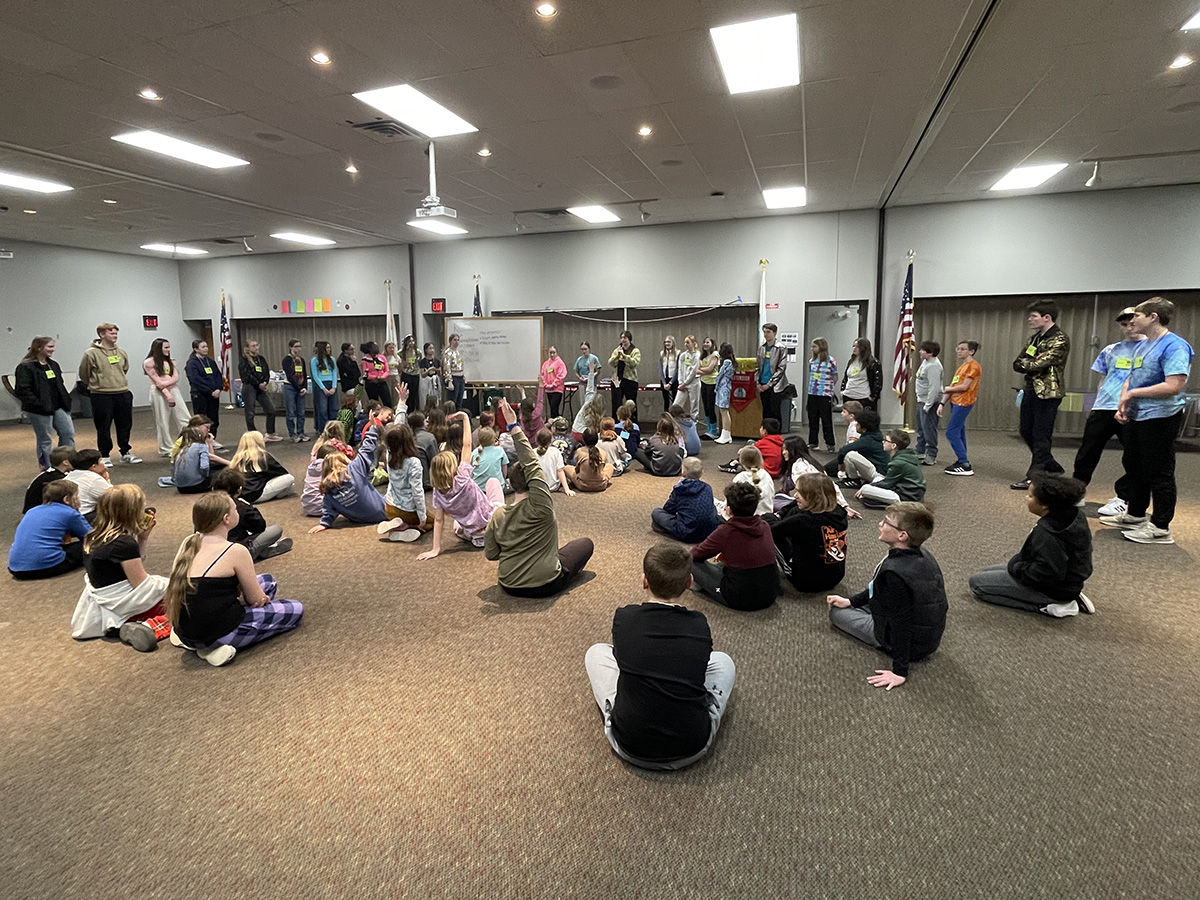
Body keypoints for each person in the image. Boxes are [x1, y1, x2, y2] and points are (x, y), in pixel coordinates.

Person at [584, 542, 736, 771]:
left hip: (628, 745)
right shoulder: (699, 624)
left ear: (644, 581)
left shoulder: (624, 618)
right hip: (692, 747)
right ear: (689, 583)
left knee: (597, 652)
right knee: (723, 661)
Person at [166, 492, 303, 667]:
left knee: (268, 580)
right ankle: (211, 648)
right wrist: (254, 600)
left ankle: (192, 642)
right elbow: (256, 599)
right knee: (296, 609)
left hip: (185, 628)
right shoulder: (235, 550)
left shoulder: (188, 542)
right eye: (235, 509)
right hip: (217, 631)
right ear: (226, 519)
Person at [1102, 297, 1194, 545]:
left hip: (1161, 416)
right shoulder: (1143, 346)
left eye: (1137, 316)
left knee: (1159, 471)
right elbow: (1132, 379)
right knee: (1134, 466)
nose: (1132, 321)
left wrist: (1133, 394)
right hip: (1137, 415)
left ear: (1153, 317)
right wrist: (1124, 402)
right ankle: (1135, 515)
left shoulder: (1175, 346)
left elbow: (1174, 385)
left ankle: (1161, 527)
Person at [826, 502, 947, 690]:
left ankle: (882, 639)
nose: (880, 524)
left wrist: (900, 671)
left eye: (886, 522)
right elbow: (879, 589)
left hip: (912, 644)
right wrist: (850, 601)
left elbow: (902, 623)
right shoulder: (921, 554)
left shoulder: (895, 574)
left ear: (902, 535)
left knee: (836, 613)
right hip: (925, 634)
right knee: (848, 604)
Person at [485, 398, 594, 597]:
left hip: (508, 583)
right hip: (546, 583)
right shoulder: (541, 507)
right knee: (585, 544)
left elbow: (491, 554)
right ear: (535, 482)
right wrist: (514, 427)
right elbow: (532, 465)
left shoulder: (498, 515)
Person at [970, 475, 1095, 617]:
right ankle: (1071, 594)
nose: (1026, 498)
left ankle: (1051, 606)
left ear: (1044, 504)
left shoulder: (1048, 534)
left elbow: (1045, 574)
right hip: (1067, 578)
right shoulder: (1074, 515)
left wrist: (1017, 567)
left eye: (1030, 496)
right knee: (987, 571)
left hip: (1053, 586)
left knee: (977, 584)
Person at [70, 484, 171, 652]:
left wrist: (143, 539)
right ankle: (148, 625)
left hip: (106, 597)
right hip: (124, 602)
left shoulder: (92, 536)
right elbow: (142, 586)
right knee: (186, 602)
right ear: (131, 512)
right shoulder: (123, 543)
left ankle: (126, 624)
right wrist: (172, 585)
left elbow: (126, 571)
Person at [1071, 310, 1142, 514]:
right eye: (1124, 325)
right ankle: (1077, 491)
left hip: (1133, 409)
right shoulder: (1111, 350)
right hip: (1104, 407)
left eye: (1132, 323)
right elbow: (1103, 378)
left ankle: (1124, 497)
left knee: (1133, 456)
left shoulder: (1149, 349)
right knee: (1087, 452)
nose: (1129, 328)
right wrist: (1098, 401)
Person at [417, 412, 505, 557]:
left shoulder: (438, 492)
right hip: (490, 520)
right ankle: (497, 528)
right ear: (452, 467)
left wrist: (435, 549)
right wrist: (464, 418)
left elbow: (439, 520)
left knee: (457, 524)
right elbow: (467, 445)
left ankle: (475, 535)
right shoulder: (462, 476)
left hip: (472, 530)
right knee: (493, 482)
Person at [689, 481, 779, 611]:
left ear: (729, 509)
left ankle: (703, 584)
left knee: (689, 562)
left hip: (738, 597)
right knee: (726, 564)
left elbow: (695, 554)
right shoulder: (764, 526)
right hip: (770, 593)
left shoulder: (726, 531)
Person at [1011, 299, 1071, 490]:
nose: (1030, 319)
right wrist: (1029, 363)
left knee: (1041, 435)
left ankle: (1035, 476)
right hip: (1030, 389)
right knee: (1025, 431)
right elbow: (1017, 363)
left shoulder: (1060, 338)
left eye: (1033, 316)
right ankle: (1050, 466)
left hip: (1048, 393)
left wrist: (1029, 363)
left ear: (1047, 317)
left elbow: (1037, 364)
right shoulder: (1034, 339)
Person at [770, 473, 848, 593]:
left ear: (814, 498)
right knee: (796, 510)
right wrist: (782, 513)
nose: (795, 496)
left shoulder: (803, 521)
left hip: (805, 582)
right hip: (836, 576)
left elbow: (771, 529)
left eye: (800, 493)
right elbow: (795, 505)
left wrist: (770, 517)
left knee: (767, 533)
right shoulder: (839, 511)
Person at [78, 322, 141, 466]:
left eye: (116, 333)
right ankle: (104, 455)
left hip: (122, 392)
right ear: (101, 335)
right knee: (103, 426)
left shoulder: (121, 352)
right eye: (111, 333)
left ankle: (125, 452)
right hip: (101, 394)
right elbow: (84, 374)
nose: (115, 335)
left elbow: (124, 369)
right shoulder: (91, 353)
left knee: (125, 424)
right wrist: (98, 383)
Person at [308, 423, 387, 533]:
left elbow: (328, 509)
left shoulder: (327, 487)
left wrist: (324, 523)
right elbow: (366, 450)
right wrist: (373, 429)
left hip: (359, 520)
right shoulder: (354, 469)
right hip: (382, 510)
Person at [8, 480, 91, 580]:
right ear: (67, 500)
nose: (79, 500)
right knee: (87, 547)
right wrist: (77, 512)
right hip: (46, 566)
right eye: (76, 497)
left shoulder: (32, 510)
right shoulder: (69, 513)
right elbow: (90, 537)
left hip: (15, 568)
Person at [15, 335, 74, 469]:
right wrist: (38, 404)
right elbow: (22, 390)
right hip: (39, 409)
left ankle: (65, 464)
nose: (52, 350)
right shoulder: (25, 367)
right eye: (50, 347)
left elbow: (60, 385)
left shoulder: (53, 365)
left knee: (68, 433)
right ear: (39, 347)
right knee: (45, 440)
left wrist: (66, 401)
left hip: (58, 406)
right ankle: (47, 468)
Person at [212, 467, 292, 561]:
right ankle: (255, 551)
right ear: (239, 490)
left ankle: (261, 550)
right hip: (235, 549)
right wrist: (249, 506)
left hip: (211, 549)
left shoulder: (206, 504)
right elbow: (260, 526)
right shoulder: (239, 506)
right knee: (276, 529)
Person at [774, 435, 860, 519]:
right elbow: (830, 485)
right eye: (783, 449)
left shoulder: (799, 467)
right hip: (820, 502)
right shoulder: (809, 462)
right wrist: (844, 505)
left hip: (811, 504)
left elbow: (807, 491)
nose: (783, 452)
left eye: (786, 449)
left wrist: (843, 507)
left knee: (774, 502)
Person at [377, 423, 432, 543]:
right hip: (407, 510)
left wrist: (401, 405)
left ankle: (397, 525)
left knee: (422, 519)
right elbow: (417, 491)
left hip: (389, 507)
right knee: (431, 522)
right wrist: (422, 516)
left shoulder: (388, 454)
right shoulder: (414, 462)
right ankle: (404, 526)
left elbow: (395, 434)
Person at [142, 338, 192, 457]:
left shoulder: (171, 361)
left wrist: (167, 385)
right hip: (159, 393)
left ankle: (189, 442)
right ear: (158, 348)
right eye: (166, 347)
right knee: (162, 421)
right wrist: (168, 395)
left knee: (184, 417)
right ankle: (166, 448)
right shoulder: (149, 362)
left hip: (174, 389)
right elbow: (157, 381)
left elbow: (175, 377)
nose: (168, 350)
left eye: (169, 347)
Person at [651, 457, 720, 543]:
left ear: (683, 473)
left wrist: (677, 488)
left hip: (688, 533)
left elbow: (668, 509)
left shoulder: (680, 490)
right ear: (702, 473)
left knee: (656, 512)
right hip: (710, 530)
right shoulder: (707, 487)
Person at [939, 340, 981, 476]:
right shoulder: (962, 366)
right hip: (955, 402)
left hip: (964, 402)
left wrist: (947, 389)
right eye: (958, 348)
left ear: (971, 351)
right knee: (959, 431)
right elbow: (953, 385)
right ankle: (962, 460)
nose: (959, 351)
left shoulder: (974, 366)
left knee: (951, 432)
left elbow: (964, 387)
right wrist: (942, 403)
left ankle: (964, 463)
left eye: (963, 349)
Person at [856, 431, 926, 508]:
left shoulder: (898, 462)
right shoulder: (906, 455)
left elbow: (887, 484)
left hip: (906, 497)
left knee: (865, 489)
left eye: (886, 441)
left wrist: (869, 486)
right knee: (877, 478)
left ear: (893, 445)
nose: (883, 442)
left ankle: (886, 502)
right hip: (911, 492)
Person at [825, 409, 888, 485]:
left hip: (878, 475)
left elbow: (843, 450)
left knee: (850, 455)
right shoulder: (876, 435)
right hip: (880, 470)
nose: (855, 425)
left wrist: (841, 465)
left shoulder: (867, 440)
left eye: (858, 424)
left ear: (864, 429)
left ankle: (853, 480)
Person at [228, 431, 294, 503]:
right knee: (289, 479)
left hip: (241, 495)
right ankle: (277, 494)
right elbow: (282, 473)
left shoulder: (237, 457)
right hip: (257, 494)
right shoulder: (263, 456)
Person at [238, 339, 283, 442]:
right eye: (253, 346)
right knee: (250, 412)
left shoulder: (261, 359)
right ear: (247, 348)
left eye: (257, 345)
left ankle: (270, 433)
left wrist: (265, 382)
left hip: (261, 387)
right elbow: (246, 375)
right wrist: (258, 383)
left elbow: (266, 372)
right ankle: (252, 434)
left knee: (271, 409)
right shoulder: (244, 360)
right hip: (250, 387)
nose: (256, 347)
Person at [185, 339, 224, 445]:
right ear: (196, 349)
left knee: (213, 418)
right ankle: (201, 440)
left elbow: (218, 376)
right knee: (201, 419)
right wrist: (210, 391)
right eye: (203, 347)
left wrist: (218, 388)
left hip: (214, 394)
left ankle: (212, 438)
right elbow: (196, 380)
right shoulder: (192, 363)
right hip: (200, 394)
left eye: (206, 346)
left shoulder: (210, 361)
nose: (206, 348)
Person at [174, 425, 230, 494]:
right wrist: (206, 475)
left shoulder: (181, 449)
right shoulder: (201, 446)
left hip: (180, 488)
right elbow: (205, 466)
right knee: (223, 469)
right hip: (197, 485)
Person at [913, 341, 944, 466]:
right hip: (921, 400)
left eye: (923, 350)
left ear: (930, 353)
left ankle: (931, 454)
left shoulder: (933, 366)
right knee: (921, 428)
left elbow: (934, 388)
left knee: (929, 429)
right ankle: (920, 450)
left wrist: (928, 405)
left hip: (929, 403)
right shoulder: (926, 362)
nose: (920, 352)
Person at [756, 323, 792, 426]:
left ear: (775, 333)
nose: (766, 334)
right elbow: (757, 367)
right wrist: (757, 382)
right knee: (765, 411)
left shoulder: (781, 348)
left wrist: (769, 384)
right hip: (762, 383)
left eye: (768, 332)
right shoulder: (761, 348)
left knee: (775, 412)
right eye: (764, 332)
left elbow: (781, 368)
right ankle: (766, 435)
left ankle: (776, 437)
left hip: (775, 386)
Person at [806, 337, 838, 452]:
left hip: (824, 394)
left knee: (826, 420)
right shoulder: (812, 361)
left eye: (814, 346)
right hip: (812, 393)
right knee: (813, 419)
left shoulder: (831, 361)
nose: (812, 348)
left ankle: (830, 443)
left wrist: (828, 388)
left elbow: (835, 377)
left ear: (821, 347)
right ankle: (813, 442)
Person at [23, 446, 74, 514]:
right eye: (74, 460)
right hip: (39, 513)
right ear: (66, 462)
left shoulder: (46, 473)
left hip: (31, 511)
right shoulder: (58, 480)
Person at [65, 449, 112, 522]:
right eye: (101, 460)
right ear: (94, 467)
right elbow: (114, 498)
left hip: (67, 515)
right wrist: (107, 481)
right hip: (85, 516)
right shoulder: (94, 478)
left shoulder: (69, 476)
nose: (104, 463)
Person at [840, 337, 883, 411]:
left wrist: (873, 396)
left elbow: (877, 381)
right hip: (848, 395)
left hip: (863, 397)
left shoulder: (873, 363)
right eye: (853, 346)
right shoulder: (851, 361)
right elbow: (846, 377)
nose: (854, 348)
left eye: (857, 347)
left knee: (863, 420)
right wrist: (842, 390)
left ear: (864, 348)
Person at [730, 446, 775, 516]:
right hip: (767, 517)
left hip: (744, 519)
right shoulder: (766, 475)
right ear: (760, 461)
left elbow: (731, 502)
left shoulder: (740, 477)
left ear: (741, 462)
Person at [281, 339, 309, 442]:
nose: (298, 349)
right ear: (291, 348)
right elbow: (290, 376)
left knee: (301, 411)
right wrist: (299, 388)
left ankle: (301, 432)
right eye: (296, 346)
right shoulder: (287, 360)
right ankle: (292, 433)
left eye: (299, 346)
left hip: (301, 387)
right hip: (290, 387)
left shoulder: (301, 360)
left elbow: (304, 374)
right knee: (291, 411)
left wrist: (304, 387)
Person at [609, 331, 641, 418]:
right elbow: (611, 363)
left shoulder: (635, 350)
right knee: (616, 403)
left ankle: (632, 424)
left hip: (630, 381)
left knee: (631, 403)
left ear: (629, 339)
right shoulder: (617, 349)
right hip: (617, 380)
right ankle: (616, 423)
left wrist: (625, 356)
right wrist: (618, 355)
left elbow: (634, 363)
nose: (623, 340)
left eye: (625, 338)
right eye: (621, 338)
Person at [310, 341, 339, 432]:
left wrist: (334, 387)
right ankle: (323, 430)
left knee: (334, 408)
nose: (329, 350)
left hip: (331, 384)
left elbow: (334, 373)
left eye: (330, 348)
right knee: (323, 409)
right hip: (321, 386)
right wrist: (323, 388)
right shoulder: (314, 360)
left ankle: (333, 429)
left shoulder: (332, 359)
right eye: (327, 348)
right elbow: (315, 376)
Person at [535, 427, 574, 495]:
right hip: (553, 487)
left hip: (537, 487)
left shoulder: (532, 453)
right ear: (550, 441)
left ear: (536, 440)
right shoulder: (555, 451)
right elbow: (560, 471)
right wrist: (567, 489)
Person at [471, 427, 509, 492]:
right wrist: (503, 480)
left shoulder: (474, 453)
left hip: (478, 489)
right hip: (497, 487)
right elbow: (504, 470)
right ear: (493, 439)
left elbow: (471, 472)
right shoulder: (499, 450)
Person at [698, 336, 720, 438]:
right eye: (704, 342)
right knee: (705, 407)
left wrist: (703, 369)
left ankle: (714, 431)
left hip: (712, 383)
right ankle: (709, 429)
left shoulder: (715, 354)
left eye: (708, 342)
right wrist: (704, 369)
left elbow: (710, 369)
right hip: (703, 382)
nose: (705, 344)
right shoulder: (702, 356)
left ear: (712, 344)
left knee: (711, 407)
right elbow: (696, 370)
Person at [676, 335, 702, 423]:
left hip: (693, 383)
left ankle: (693, 423)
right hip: (682, 383)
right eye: (685, 342)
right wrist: (680, 382)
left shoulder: (698, 355)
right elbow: (680, 369)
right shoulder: (683, 355)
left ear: (694, 344)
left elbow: (694, 371)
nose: (685, 344)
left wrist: (685, 383)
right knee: (677, 404)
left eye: (688, 342)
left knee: (694, 405)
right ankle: (675, 422)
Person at [714, 341, 735, 444]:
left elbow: (719, 375)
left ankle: (726, 434)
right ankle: (725, 433)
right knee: (723, 411)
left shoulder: (727, 362)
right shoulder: (730, 361)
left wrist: (716, 386)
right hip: (725, 386)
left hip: (724, 387)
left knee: (724, 411)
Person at [359, 341, 391, 407]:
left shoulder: (382, 358)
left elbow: (387, 370)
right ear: (370, 349)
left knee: (387, 402)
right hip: (371, 384)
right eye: (375, 347)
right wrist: (375, 377)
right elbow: (365, 374)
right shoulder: (365, 360)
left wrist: (382, 377)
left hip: (382, 382)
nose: (377, 348)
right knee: (374, 403)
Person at [541, 346, 567, 419]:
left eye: (553, 352)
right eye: (550, 353)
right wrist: (546, 384)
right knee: (552, 409)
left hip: (557, 389)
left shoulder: (560, 363)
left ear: (557, 353)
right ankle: (555, 424)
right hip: (548, 389)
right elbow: (543, 374)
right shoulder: (546, 364)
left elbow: (561, 376)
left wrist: (553, 384)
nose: (552, 354)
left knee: (554, 407)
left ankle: (556, 424)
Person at [444, 332, 465, 409]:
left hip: (460, 377)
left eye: (458, 340)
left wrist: (463, 376)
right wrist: (449, 381)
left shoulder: (458, 352)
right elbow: (447, 367)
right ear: (450, 341)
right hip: (453, 378)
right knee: (453, 400)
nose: (457, 342)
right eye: (455, 340)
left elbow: (460, 364)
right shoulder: (448, 353)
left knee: (460, 400)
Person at [417, 342, 442, 410]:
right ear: (426, 350)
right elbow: (422, 374)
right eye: (430, 348)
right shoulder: (422, 361)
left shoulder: (437, 360)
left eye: (433, 348)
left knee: (436, 397)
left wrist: (436, 370)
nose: (432, 350)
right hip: (426, 381)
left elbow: (440, 373)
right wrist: (428, 370)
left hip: (435, 381)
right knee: (425, 398)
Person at [658, 335, 679, 411]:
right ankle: (666, 417)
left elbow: (677, 369)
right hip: (664, 381)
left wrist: (670, 383)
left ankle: (674, 417)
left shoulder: (678, 353)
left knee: (675, 401)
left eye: (669, 342)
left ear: (673, 343)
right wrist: (664, 383)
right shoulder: (662, 353)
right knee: (666, 401)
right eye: (665, 342)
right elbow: (660, 369)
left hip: (673, 380)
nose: (667, 343)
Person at [399, 334, 421, 405]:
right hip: (406, 373)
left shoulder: (417, 352)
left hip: (415, 373)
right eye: (409, 341)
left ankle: (415, 408)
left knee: (415, 393)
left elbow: (419, 360)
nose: (411, 343)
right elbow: (397, 357)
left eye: (413, 341)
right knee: (407, 392)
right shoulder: (402, 352)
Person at [383, 340, 401, 406]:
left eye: (393, 348)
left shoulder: (396, 357)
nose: (392, 349)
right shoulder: (383, 357)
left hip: (395, 375)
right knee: (389, 393)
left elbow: (400, 368)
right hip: (387, 377)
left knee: (396, 394)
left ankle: (396, 407)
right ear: (386, 348)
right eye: (390, 348)